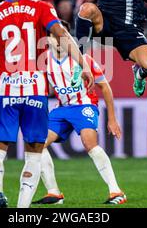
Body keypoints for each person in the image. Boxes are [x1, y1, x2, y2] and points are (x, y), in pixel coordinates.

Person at [0, 0, 94, 208]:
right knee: (34, 151)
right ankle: (22, 209)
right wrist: (83, 65)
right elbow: (62, 36)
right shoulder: (41, 7)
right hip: (36, 91)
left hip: (6, 91)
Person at [33, 20, 127, 206]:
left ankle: (116, 191)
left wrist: (112, 119)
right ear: (48, 39)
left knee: (89, 143)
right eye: (55, 36)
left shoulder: (83, 60)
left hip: (84, 105)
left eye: (64, 36)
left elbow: (105, 88)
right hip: (62, 109)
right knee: (37, 145)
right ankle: (54, 193)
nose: (59, 39)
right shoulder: (43, 62)